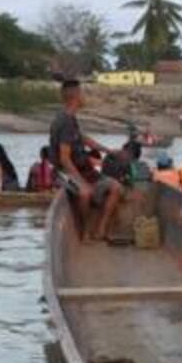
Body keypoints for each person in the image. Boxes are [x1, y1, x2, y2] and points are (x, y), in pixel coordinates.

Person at [49, 79, 122, 242]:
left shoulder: (70, 118)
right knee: (86, 193)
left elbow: (83, 138)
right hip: (64, 171)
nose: (84, 97)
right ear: (76, 97)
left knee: (116, 187)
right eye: (83, 93)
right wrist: (82, 182)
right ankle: (84, 232)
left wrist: (108, 150)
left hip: (82, 168)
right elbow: (64, 159)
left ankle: (100, 230)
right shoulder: (65, 121)